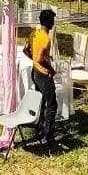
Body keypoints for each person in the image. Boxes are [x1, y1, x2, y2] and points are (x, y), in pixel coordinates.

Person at [24, 8, 58, 146]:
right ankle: (48, 135)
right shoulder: (45, 38)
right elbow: (40, 58)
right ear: (49, 22)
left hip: (35, 72)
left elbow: (25, 49)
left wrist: (33, 59)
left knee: (42, 101)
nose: (53, 23)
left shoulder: (34, 33)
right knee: (52, 105)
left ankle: (40, 127)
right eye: (53, 20)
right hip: (44, 74)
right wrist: (51, 69)